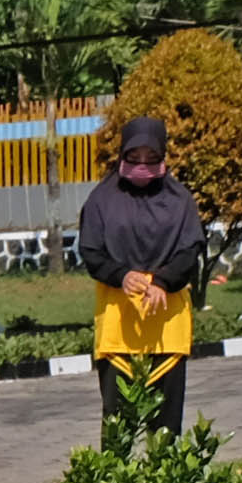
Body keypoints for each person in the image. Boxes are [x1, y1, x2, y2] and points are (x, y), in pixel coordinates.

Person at [76, 112, 203, 440]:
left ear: (164, 156)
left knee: (166, 426)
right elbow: (91, 251)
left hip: (167, 324)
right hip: (119, 324)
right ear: (122, 155)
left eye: (152, 157)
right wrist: (120, 275)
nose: (143, 165)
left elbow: (190, 250)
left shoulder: (180, 201)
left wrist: (163, 281)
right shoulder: (101, 200)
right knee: (118, 424)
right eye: (135, 157)